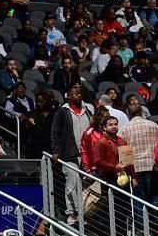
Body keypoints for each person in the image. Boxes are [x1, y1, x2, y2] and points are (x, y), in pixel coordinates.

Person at [51, 85, 92, 225]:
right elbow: (55, 132)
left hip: (86, 155)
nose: (78, 95)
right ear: (68, 96)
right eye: (75, 93)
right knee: (72, 182)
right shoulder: (63, 111)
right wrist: (56, 151)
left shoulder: (87, 110)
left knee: (86, 185)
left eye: (80, 93)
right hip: (69, 154)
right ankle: (72, 214)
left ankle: (85, 213)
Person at [94, 116, 136, 236]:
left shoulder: (122, 141)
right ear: (104, 127)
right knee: (113, 210)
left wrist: (133, 177)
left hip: (124, 180)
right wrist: (114, 168)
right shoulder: (101, 142)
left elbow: (129, 160)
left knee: (125, 209)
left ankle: (122, 233)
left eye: (115, 124)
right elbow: (98, 161)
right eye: (110, 124)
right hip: (110, 180)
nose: (114, 126)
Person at [121, 105, 158, 230]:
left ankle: (143, 228)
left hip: (135, 168)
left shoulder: (125, 129)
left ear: (128, 113)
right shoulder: (154, 126)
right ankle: (156, 226)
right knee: (154, 197)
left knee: (138, 200)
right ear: (141, 112)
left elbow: (124, 151)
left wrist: (130, 173)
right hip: (152, 166)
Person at [4, 81, 35, 156]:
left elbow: (34, 111)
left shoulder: (30, 100)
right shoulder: (11, 100)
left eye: (23, 88)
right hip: (19, 122)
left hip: (31, 120)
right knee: (24, 125)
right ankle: (22, 147)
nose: (22, 90)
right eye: (20, 88)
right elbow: (7, 112)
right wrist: (19, 115)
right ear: (15, 90)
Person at [80, 106, 109, 175]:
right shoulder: (89, 132)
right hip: (95, 170)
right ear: (98, 117)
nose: (107, 120)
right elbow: (84, 151)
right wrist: (87, 170)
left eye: (109, 117)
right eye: (105, 117)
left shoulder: (110, 132)